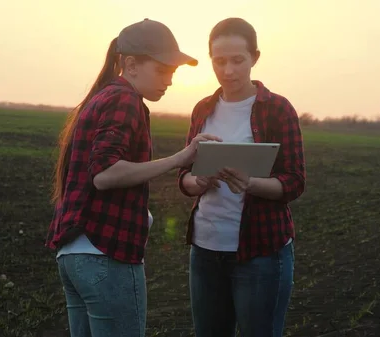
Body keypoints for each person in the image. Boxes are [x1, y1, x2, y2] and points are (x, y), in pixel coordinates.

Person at [45, 19, 221, 337]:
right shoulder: (124, 100)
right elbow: (105, 174)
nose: (169, 81)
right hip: (106, 256)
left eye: (173, 72)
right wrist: (181, 158)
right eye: (162, 70)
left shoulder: (101, 97)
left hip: (74, 255)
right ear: (130, 64)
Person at [177, 17, 306, 337]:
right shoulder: (202, 109)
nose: (228, 71)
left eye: (238, 60)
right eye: (219, 61)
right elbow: (184, 175)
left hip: (260, 252)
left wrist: (251, 184)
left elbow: (294, 180)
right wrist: (198, 182)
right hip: (205, 250)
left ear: (255, 58)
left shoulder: (277, 109)